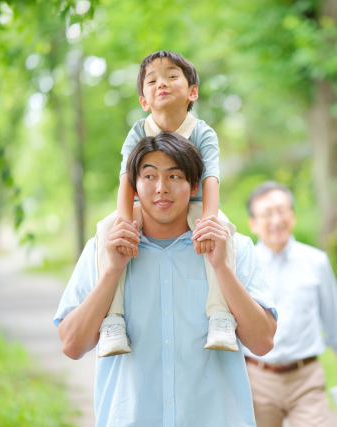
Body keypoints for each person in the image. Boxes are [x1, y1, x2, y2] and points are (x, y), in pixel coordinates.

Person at [54, 132, 277, 427]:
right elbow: (71, 344)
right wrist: (112, 272)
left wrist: (221, 267)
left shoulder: (234, 247)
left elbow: (263, 342)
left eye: (174, 176)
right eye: (149, 176)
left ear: (194, 185)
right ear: (134, 186)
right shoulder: (102, 250)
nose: (161, 188)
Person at [95, 50, 240, 357]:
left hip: (196, 203)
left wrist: (210, 220)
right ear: (143, 100)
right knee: (107, 228)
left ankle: (220, 316)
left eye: (172, 76)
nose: (162, 83)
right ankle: (112, 320)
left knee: (222, 229)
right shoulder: (138, 131)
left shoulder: (202, 132)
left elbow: (211, 178)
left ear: (192, 91)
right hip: (148, 206)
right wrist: (124, 222)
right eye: (152, 80)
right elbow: (126, 180)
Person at [244, 181, 337, 427]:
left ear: (292, 215)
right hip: (256, 380)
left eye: (282, 210)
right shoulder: (242, 265)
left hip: (306, 378)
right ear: (253, 223)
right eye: (266, 214)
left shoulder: (316, 261)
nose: (276, 220)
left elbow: (333, 318)